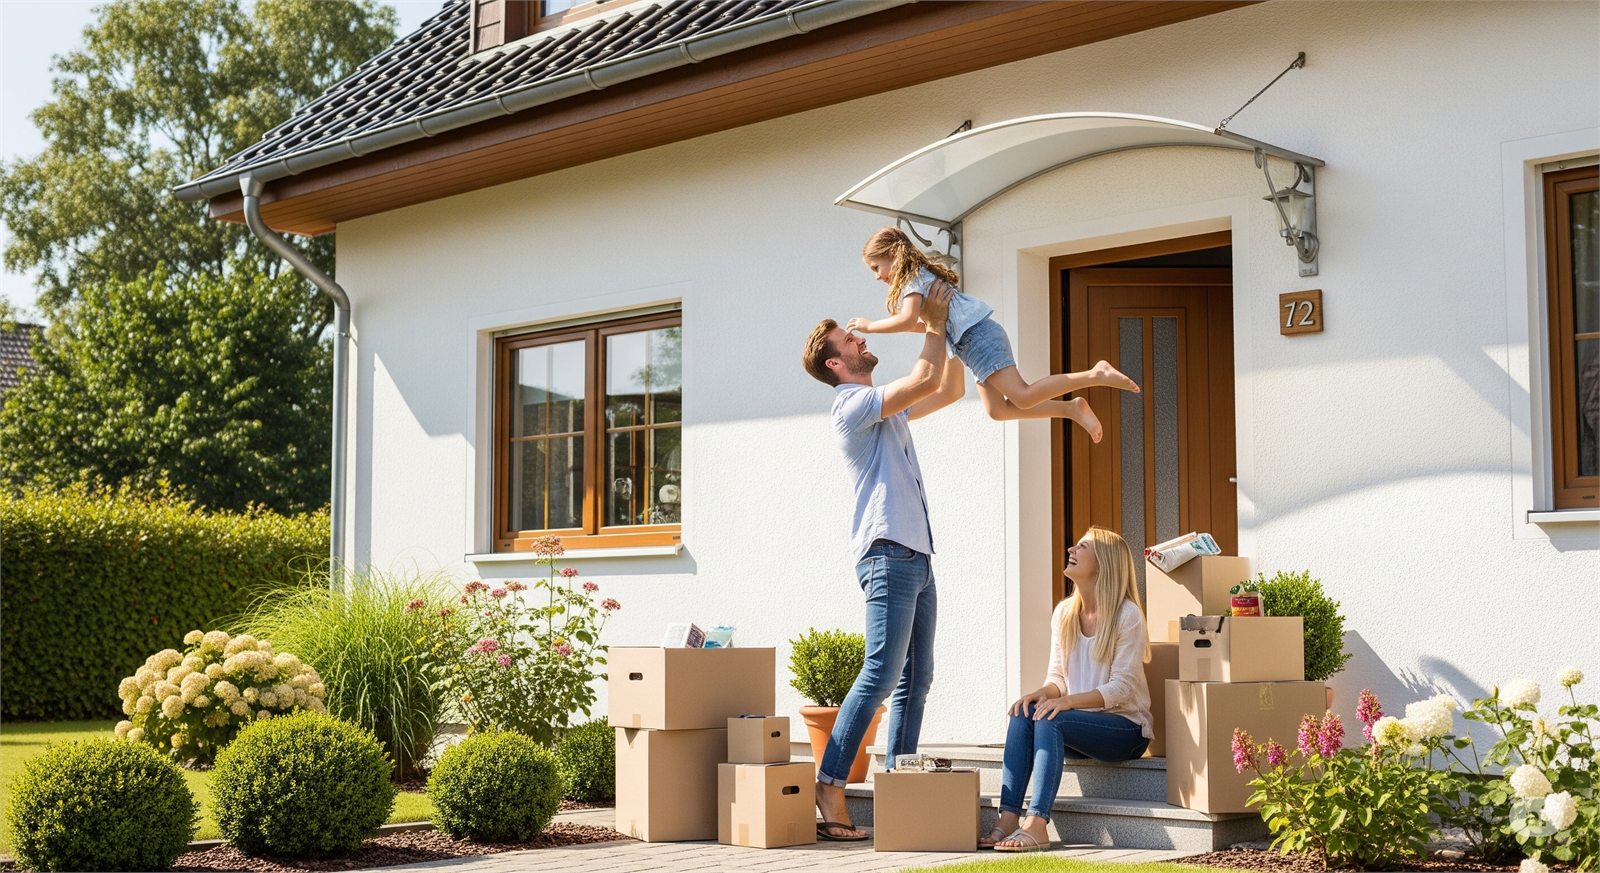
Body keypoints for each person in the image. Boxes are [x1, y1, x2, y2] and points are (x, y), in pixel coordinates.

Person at [799, 279, 963, 841]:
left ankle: (899, 783)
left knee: (918, 677)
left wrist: (953, 324)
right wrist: (932, 323)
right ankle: (831, 782)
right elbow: (921, 377)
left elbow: (945, 388)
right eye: (851, 339)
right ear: (835, 363)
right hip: (887, 553)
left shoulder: (884, 413)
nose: (861, 337)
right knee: (882, 673)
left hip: (916, 553)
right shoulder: (852, 406)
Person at [846, 226, 1140, 442]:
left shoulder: (912, 278)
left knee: (1022, 396)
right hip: (971, 343)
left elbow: (907, 318)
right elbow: (921, 324)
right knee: (997, 410)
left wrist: (870, 325)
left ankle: (1096, 374)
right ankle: (1070, 408)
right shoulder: (918, 278)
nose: (877, 275)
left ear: (893, 255)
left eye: (876, 267)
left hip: (977, 338)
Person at [983, 526, 1153, 853]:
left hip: (1127, 730)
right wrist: (1042, 693)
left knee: (1052, 717)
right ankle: (1008, 818)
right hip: (1077, 725)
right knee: (1026, 713)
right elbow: (1057, 678)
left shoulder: (1127, 615)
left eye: (1083, 546)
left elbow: (1120, 689)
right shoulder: (1064, 613)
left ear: (1104, 562)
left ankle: (1037, 824)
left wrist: (1065, 702)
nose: (1071, 549)